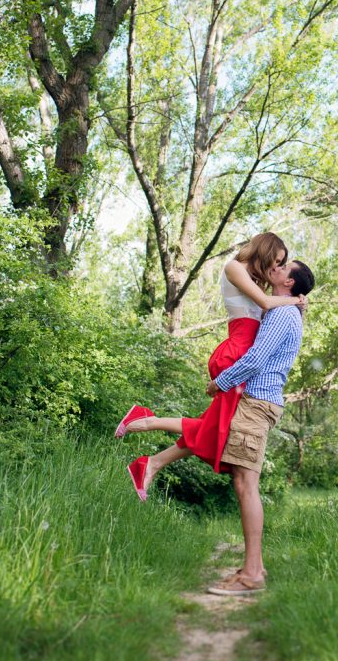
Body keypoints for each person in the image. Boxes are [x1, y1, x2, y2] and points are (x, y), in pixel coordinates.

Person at [115, 232, 305, 494]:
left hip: (244, 355)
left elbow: (266, 313)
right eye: (277, 260)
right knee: (213, 429)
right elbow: (263, 304)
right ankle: (146, 430)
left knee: (213, 429)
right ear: (266, 249)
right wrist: (296, 299)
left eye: (282, 264)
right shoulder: (235, 267)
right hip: (237, 353)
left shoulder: (255, 281)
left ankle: (149, 460)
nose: (276, 267)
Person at [205, 258, 315, 596]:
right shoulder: (284, 310)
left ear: (290, 284)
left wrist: (220, 383)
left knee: (246, 485)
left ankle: (252, 575)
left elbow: (255, 359)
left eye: (284, 268)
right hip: (259, 402)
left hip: (257, 403)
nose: (277, 268)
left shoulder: (282, 314)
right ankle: (253, 568)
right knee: (242, 482)